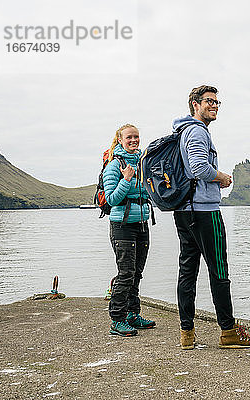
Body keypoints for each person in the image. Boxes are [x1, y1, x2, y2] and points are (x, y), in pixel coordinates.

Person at [172, 85, 250, 349]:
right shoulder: (197, 131)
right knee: (219, 270)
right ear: (195, 104)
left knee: (187, 272)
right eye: (209, 101)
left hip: (185, 210)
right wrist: (221, 176)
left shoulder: (182, 132)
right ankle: (228, 331)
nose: (214, 105)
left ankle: (186, 334)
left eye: (217, 102)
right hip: (204, 211)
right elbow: (199, 167)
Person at [103, 123, 156, 337]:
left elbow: (149, 191)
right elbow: (111, 199)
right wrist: (126, 179)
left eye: (136, 137)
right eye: (129, 137)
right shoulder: (114, 165)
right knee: (126, 273)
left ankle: (133, 314)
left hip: (142, 224)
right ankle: (117, 320)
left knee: (137, 273)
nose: (134, 140)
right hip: (122, 226)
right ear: (120, 140)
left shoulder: (143, 163)